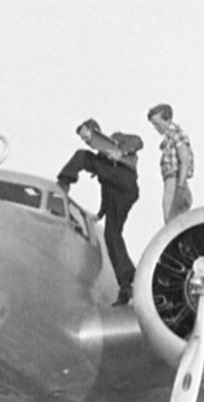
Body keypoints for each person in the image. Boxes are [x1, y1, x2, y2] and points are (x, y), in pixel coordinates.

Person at [57, 119, 142, 306]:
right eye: (84, 140)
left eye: (87, 137)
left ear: (95, 130)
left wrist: (121, 152)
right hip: (119, 195)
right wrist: (101, 213)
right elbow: (106, 189)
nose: (87, 142)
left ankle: (63, 182)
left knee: (82, 156)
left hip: (125, 181)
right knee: (112, 235)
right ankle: (127, 282)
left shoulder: (117, 139)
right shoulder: (103, 163)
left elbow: (138, 141)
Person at [147, 104, 194, 223]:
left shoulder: (177, 134)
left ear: (167, 120)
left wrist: (180, 188)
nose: (156, 128)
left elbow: (184, 160)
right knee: (170, 218)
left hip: (175, 180)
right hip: (171, 181)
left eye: (157, 124)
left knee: (172, 220)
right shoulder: (169, 137)